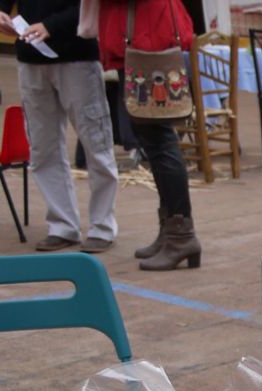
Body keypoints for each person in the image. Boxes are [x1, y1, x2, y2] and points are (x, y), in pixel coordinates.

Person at [0, 0, 118, 253]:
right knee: (43, 149)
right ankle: (62, 226)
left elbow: (92, 5)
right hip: (31, 57)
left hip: (77, 56)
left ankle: (102, 227)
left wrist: (51, 26)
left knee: (97, 145)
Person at [93, 0, 199, 270]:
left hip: (148, 37)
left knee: (160, 140)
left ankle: (181, 235)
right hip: (142, 35)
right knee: (153, 140)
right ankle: (171, 230)